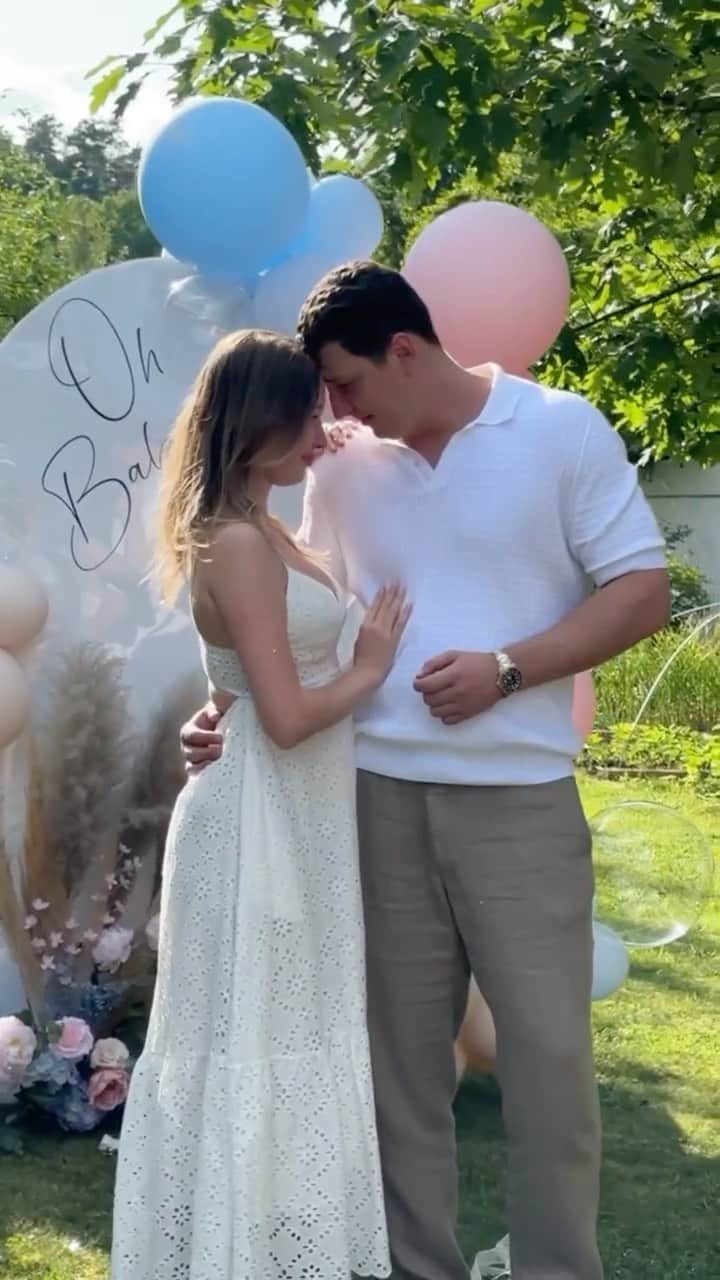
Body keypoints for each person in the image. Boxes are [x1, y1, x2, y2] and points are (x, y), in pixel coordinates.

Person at [181, 263, 671, 1280]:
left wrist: (508, 668)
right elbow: (291, 617)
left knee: (549, 1063)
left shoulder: (560, 429)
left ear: (404, 348)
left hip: (519, 804)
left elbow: (643, 591)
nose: (334, 412)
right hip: (366, 797)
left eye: (346, 383)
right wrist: (224, 706)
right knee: (397, 1068)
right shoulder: (340, 466)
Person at [112, 328, 413, 1280]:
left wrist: (218, 713)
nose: (323, 434)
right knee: (254, 1034)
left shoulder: (267, 526)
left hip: (298, 811)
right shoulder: (239, 541)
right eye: (307, 418)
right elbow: (282, 719)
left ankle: (278, 1244)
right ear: (258, 425)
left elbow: (239, 686)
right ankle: (236, 1253)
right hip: (260, 821)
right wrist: (369, 667)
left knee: (291, 1027)